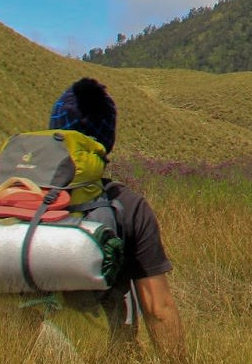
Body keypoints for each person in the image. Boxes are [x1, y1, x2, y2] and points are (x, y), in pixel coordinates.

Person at [47, 78, 187, 362]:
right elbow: (158, 309)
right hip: (99, 353)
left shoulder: (10, 193)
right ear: (107, 141)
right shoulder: (126, 205)